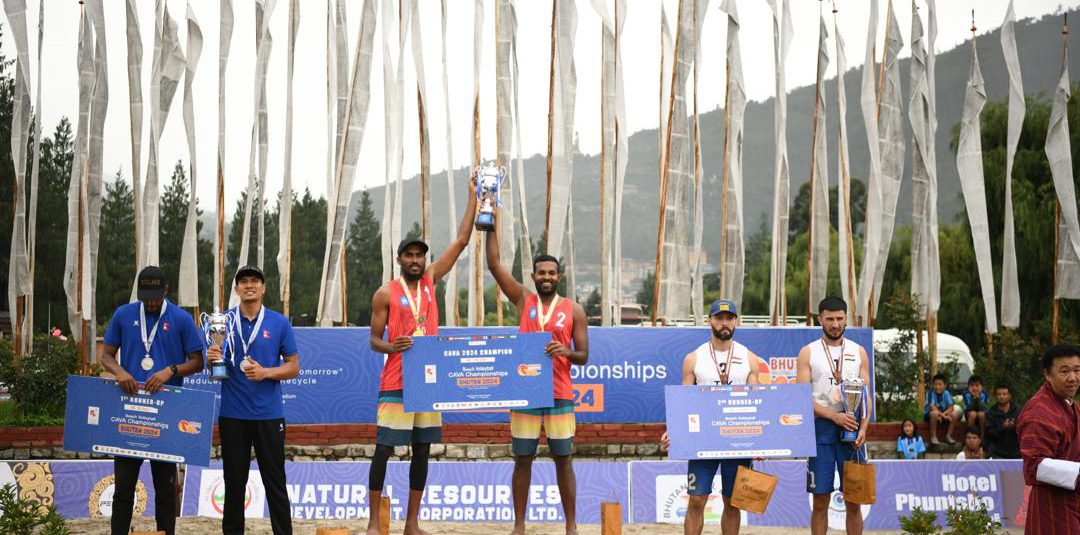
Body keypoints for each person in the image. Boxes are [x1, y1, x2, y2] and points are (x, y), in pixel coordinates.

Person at [367, 176, 477, 535]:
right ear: (399, 258)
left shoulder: (431, 280)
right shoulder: (386, 292)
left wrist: (474, 195)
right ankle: (373, 522)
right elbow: (374, 341)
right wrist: (392, 346)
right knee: (384, 449)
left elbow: (461, 241)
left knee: (422, 451)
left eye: (419, 255)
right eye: (409, 255)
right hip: (397, 379)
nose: (415, 260)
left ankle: (412, 523)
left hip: (428, 382)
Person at [485, 213, 589, 535]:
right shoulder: (522, 299)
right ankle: (519, 525)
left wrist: (565, 352)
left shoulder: (574, 309)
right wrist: (488, 225)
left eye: (552, 272)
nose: (546, 277)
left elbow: (583, 356)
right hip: (525, 392)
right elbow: (494, 266)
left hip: (559, 393)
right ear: (533, 275)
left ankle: (571, 525)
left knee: (563, 459)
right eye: (541, 272)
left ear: (559, 276)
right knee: (523, 459)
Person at [99, 266, 205, 535]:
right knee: (123, 488)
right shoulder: (124, 314)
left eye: (156, 296)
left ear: (166, 290)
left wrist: (171, 370)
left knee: (166, 489)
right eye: (146, 296)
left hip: (165, 415)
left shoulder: (180, 319)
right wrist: (121, 372)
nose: (151, 302)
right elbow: (106, 355)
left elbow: (198, 361)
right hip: (130, 411)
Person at [658, 299, 765, 535]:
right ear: (710, 321)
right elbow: (683, 400)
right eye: (719, 318)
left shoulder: (749, 358)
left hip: (738, 439)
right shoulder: (694, 358)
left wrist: (760, 440)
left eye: (729, 318)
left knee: (733, 502)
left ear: (737, 321)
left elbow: (756, 402)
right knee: (697, 500)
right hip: (702, 440)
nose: (724, 323)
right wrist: (672, 430)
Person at [206, 266, 300, 535]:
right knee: (234, 484)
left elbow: (294, 367)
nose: (249, 286)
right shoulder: (222, 323)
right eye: (243, 282)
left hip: (269, 416)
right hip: (233, 415)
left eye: (255, 281)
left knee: (275, 483)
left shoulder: (279, 323)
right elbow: (214, 373)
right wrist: (212, 359)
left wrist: (266, 372)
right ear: (236, 289)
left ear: (263, 288)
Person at [796, 296, 872, 535]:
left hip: (853, 433)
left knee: (854, 502)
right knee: (820, 501)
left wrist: (864, 428)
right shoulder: (808, 353)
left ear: (845, 318)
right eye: (830, 319)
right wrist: (833, 416)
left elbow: (867, 396)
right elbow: (801, 398)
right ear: (820, 320)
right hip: (821, 433)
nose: (835, 324)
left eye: (840, 318)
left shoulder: (858, 352)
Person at [1017, 344, 1080, 534]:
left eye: (1077, 370)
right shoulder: (1039, 410)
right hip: (1052, 507)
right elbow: (1034, 465)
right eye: (1064, 371)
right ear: (1047, 374)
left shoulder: (1072, 406)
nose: (1073, 378)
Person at [985, 384, 1021, 459]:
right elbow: (989, 434)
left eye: (1004, 394)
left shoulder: (1018, 410)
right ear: (995, 396)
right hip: (998, 453)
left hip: (1017, 452)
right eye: (999, 394)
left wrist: (1014, 427)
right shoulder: (991, 413)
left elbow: (1024, 428)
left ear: (1009, 396)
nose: (1001, 396)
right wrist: (1002, 427)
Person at [923, 374, 960, 445]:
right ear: (933, 385)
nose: (938, 387)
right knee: (934, 413)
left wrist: (943, 415)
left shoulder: (946, 393)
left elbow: (951, 407)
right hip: (930, 415)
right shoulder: (930, 392)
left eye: (940, 385)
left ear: (944, 386)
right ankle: (933, 437)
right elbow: (932, 407)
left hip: (942, 414)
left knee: (954, 415)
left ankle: (948, 436)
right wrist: (943, 416)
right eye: (935, 384)